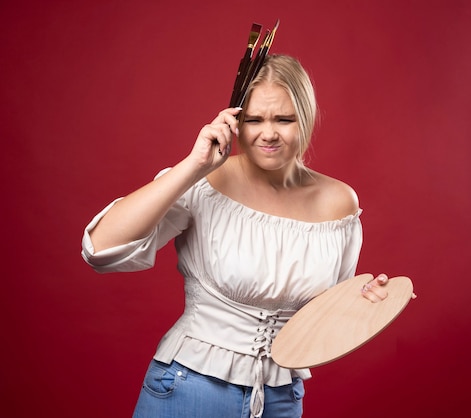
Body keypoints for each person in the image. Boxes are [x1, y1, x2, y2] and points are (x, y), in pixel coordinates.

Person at [81, 54, 390, 418]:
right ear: (235, 121)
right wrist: (192, 166)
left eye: (284, 119)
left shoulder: (339, 202)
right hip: (188, 387)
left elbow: (324, 323)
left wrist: (369, 306)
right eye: (253, 119)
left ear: (305, 119)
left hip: (281, 399)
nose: (268, 133)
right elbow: (100, 249)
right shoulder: (207, 181)